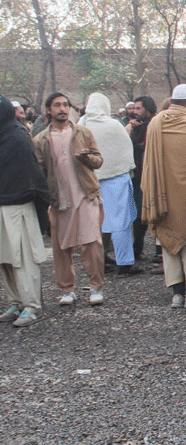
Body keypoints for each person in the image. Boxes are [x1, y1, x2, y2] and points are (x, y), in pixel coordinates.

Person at [142, 84, 186, 309]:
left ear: (172, 100)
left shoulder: (156, 123)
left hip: (161, 192)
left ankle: (176, 294)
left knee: (166, 236)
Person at [33, 92, 106, 307]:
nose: (62, 109)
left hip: (85, 195)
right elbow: (39, 171)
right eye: (57, 105)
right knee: (61, 247)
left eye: (65, 105)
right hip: (58, 200)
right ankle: (67, 289)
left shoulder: (83, 132)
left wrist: (87, 158)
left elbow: (98, 161)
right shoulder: (40, 140)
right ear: (48, 110)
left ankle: (96, 286)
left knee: (92, 243)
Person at [0, 95, 50, 327]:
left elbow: (30, 175)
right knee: (5, 259)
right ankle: (16, 301)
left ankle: (32, 306)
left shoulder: (17, 137)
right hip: (2, 205)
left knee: (23, 259)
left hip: (18, 205)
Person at [79, 93, 141, 278]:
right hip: (116, 179)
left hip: (89, 181)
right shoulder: (113, 125)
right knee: (120, 224)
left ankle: (99, 262)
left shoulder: (81, 125)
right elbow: (125, 150)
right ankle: (124, 265)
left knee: (93, 225)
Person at [127, 95, 156, 261]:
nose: (135, 111)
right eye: (134, 108)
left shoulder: (152, 125)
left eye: (138, 108)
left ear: (147, 109)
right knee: (139, 214)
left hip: (149, 175)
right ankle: (137, 248)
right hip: (139, 176)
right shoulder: (138, 126)